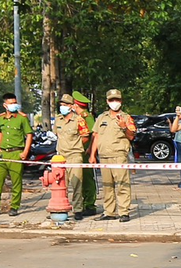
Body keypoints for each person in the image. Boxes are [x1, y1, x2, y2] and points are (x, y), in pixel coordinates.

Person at [91, 89, 138, 222]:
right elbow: (96, 136)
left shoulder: (126, 117)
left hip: (119, 155)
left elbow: (131, 136)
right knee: (107, 185)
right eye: (112, 100)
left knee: (122, 184)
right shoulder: (101, 117)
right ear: (107, 101)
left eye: (117, 100)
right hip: (104, 156)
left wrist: (124, 127)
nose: (114, 102)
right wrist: (92, 155)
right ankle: (109, 212)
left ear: (121, 101)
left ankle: (124, 212)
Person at [0, 94, 32, 216]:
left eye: (15, 102)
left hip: (16, 153)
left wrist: (25, 152)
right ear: (5, 105)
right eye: (11, 103)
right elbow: (0, 132)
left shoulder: (22, 118)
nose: (14, 105)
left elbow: (29, 135)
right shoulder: (1, 119)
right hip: (2, 154)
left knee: (16, 182)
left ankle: (14, 207)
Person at [53, 94, 90, 218]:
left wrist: (75, 145)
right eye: (61, 105)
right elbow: (57, 134)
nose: (62, 107)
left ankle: (78, 209)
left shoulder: (79, 120)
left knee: (76, 183)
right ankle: (61, 208)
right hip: (61, 157)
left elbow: (85, 136)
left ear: (71, 106)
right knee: (61, 184)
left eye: (65, 105)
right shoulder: (58, 119)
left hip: (74, 155)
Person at [70, 91, 100, 217]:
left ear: (75, 105)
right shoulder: (77, 117)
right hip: (79, 151)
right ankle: (82, 203)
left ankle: (90, 205)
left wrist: (91, 151)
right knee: (79, 179)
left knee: (87, 179)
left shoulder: (86, 117)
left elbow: (94, 134)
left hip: (86, 151)